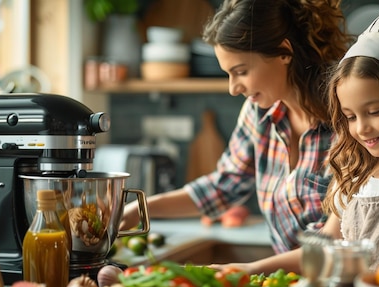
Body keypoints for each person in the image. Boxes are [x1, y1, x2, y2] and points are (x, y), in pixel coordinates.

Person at [218, 7, 379, 275]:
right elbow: (321, 252)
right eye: (350, 116)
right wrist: (251, 268)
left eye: (374, 112)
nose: (361, 128)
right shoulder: (351, 180)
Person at [120, 0, 350, 254]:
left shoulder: (348, 119)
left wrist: (248, 271)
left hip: (337, 283)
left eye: (241, 71)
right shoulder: (258, 112)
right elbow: (222, 187)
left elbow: (332, 243)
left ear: (283, 52)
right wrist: (138, 210)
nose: (233, 88)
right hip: (288, 284)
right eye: (228, 74)